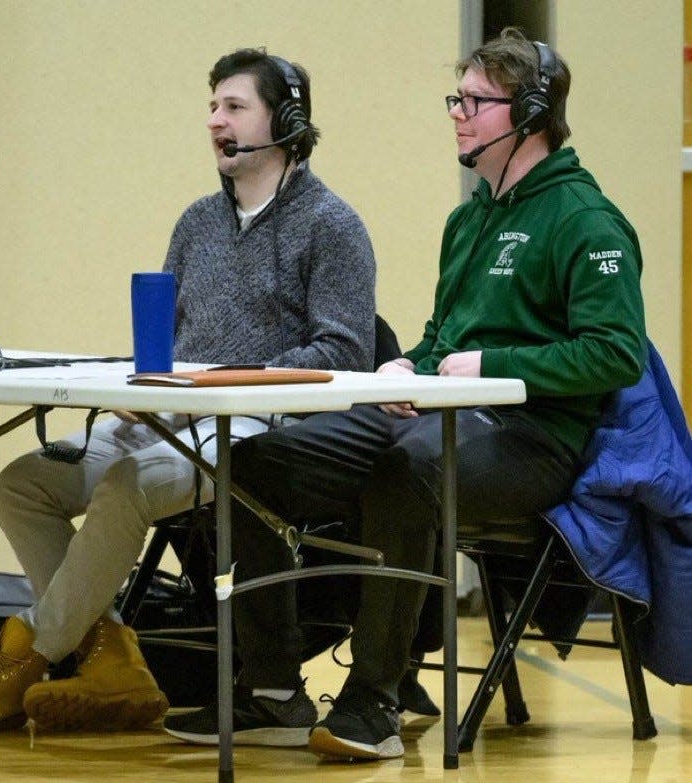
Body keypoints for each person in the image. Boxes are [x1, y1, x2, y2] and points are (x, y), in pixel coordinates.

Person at [163, 28, 647, 759]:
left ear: (532, 111)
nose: (457, 112)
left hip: (535, 438)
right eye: (458, 97)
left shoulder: (585, 219)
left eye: (476, 101)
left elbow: (615, 352)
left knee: (409, 469)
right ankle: (271, 690)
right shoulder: (470, 219)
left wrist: (487, 363)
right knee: (252, 464)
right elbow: (443, 340)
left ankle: (374, 701)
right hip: (443, 415)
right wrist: (407, 365)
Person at [0, 48, 376, 734]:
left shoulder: (332, 225)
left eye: (233, 107)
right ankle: (111, 658)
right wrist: (143, 381)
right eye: (212, 107)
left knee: (127, 483)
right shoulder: (197, 222)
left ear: (285, 121)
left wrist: (224, 382)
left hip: (259, 429)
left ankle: (25, 658)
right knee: (20, 484)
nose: (214, 121)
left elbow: (346, 353)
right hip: (166, 415)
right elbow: (165, 341)